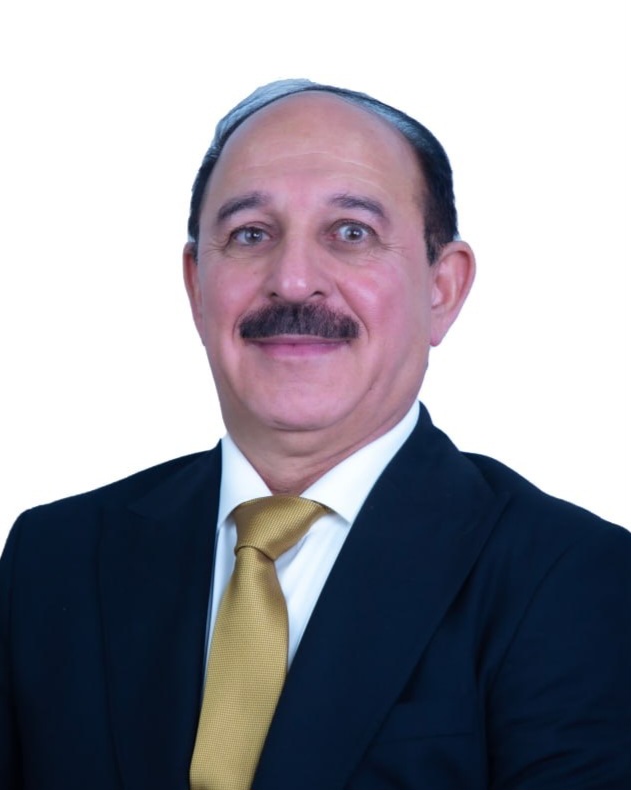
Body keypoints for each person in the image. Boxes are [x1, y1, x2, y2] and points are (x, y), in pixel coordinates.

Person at [0, 79, 629, 790]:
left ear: (442, 289)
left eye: (351, 233)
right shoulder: (54, 559)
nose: (294, 281)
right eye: (251, 234)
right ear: (197, 286)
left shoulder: (572, 579)